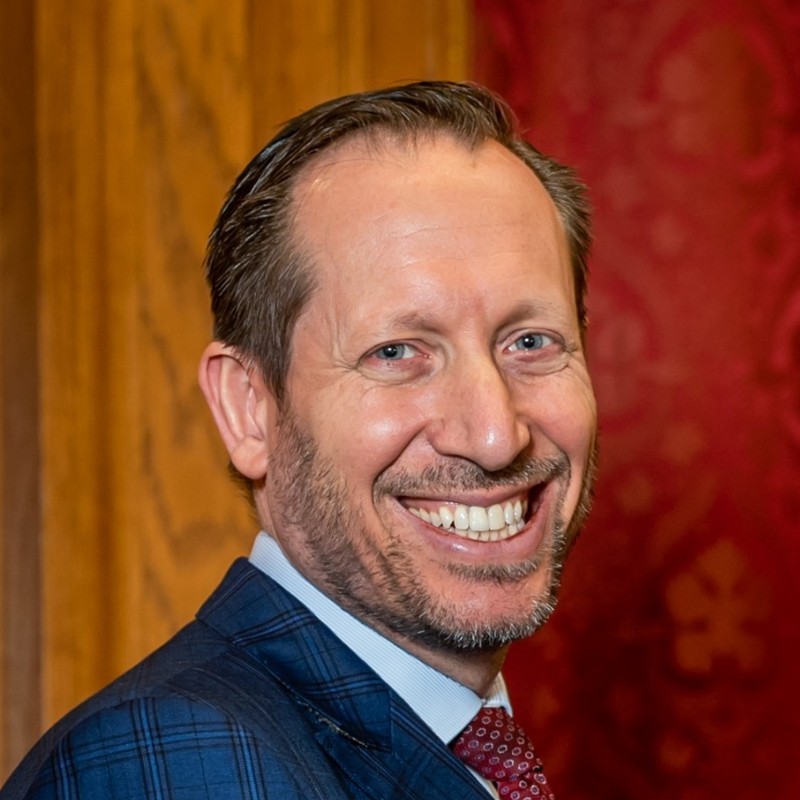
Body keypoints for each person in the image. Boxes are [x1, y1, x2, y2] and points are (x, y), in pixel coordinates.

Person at [2, 81, 597, 799]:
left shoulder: (452, 751)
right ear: (249, 409)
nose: (496, 434)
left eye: (530, 342)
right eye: (397, 352)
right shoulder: (173, 763)